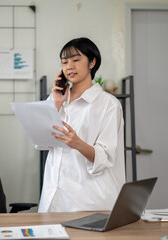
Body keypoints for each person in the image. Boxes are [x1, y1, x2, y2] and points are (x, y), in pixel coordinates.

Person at [37, 37, 125, 212]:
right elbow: (40, 143)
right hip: (54, 198)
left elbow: (105, 157)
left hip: (89, 201)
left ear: (92, 62)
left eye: (76, 60)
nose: (69, 66)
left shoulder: (108, 104)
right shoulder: (56, 99)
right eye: (64, 62)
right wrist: (55, 105)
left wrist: (77, 143)